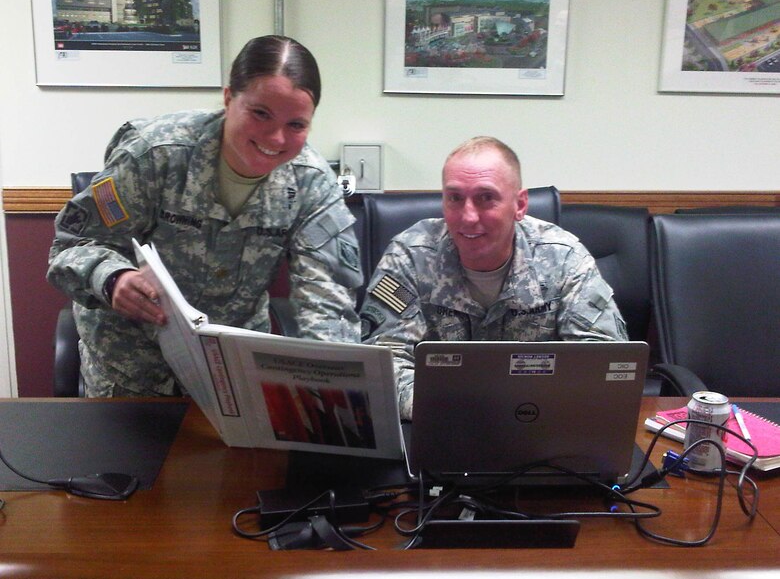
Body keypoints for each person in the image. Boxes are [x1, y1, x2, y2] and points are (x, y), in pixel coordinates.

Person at [47, 35, 363, 397]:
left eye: (296, 125)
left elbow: (326, 293)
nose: (276, 138)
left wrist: (328, 382)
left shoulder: (311, 183)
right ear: (229, 98)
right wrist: (112, 278)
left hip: (232, 374)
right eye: (261, 113)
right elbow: (73, 245)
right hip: (132, 370)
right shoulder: (157, 154)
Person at [360, 136, 627, 420]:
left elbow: (604, 361)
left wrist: (524, 409)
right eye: (455, 198)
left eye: (486, 198)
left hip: (537, 428)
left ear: (520, 204)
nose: (469, 217)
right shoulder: (410, 257)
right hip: (438, 426)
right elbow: (382, 361)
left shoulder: (563, 258)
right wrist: (461, 411)